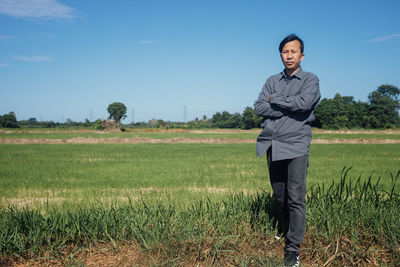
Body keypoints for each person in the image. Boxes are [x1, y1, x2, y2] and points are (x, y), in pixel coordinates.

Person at [254, 34, 320, 267]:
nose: (289, 55)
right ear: (280, 54)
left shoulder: (310, 80)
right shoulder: (272, 80)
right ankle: (284, 229)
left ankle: (293, 249)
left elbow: (304, 104)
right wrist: (286, 105)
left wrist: (277, 101)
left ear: (301, 55)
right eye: (285, 51)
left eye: (293, 51)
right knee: (279, 196)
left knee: (296, 198)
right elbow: (259, 106)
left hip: (296, 145)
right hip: (272, 143)